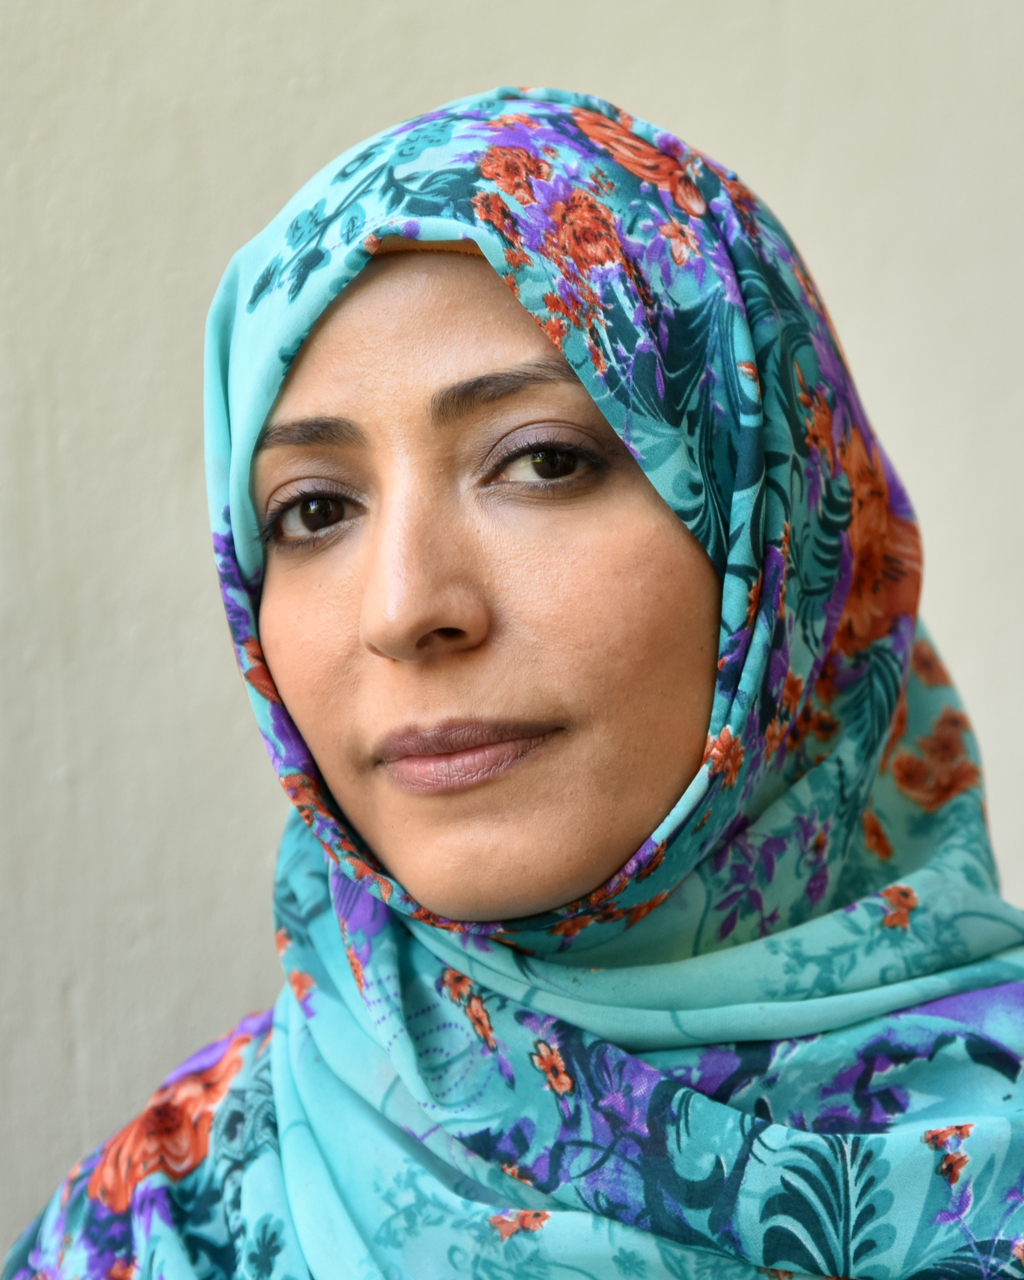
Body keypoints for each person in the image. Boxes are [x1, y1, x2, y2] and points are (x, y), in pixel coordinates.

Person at [6, 85, 1024, 1280]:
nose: (404, 609)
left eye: (541, 461)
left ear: (781, 522)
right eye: (315, 509)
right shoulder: (165, 1227)